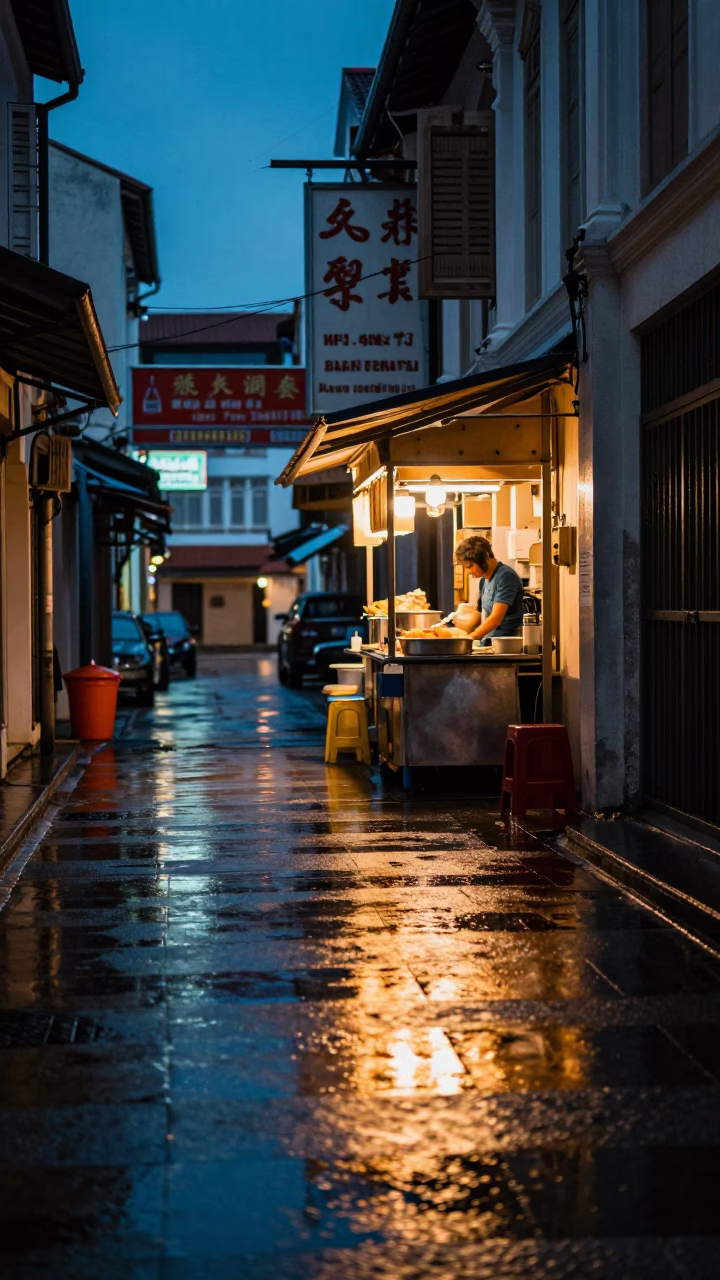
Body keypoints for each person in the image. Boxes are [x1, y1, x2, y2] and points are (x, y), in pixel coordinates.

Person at [454, 535, 524, 647]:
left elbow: (496, 617)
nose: (469, 572)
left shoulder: (505, 576)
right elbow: (483, 616)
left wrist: (469, 638)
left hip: (505, 645)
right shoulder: (484, 581)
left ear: (486, 556)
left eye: (470, 566)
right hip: (489, 642)